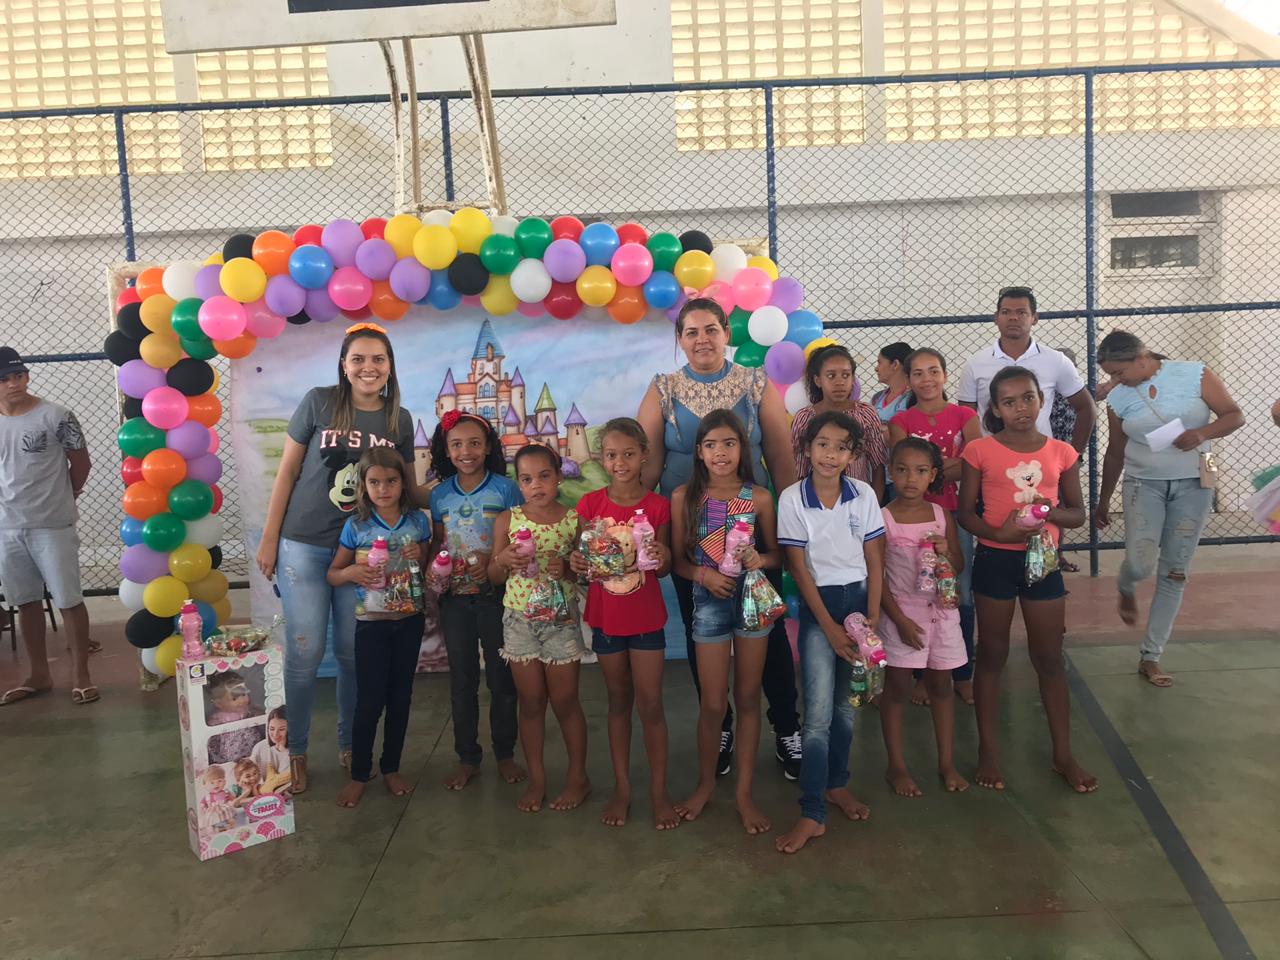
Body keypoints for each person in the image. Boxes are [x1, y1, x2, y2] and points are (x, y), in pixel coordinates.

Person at [637, 298, 802, 781]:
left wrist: (793, 523)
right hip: (692, 538)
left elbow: (780, 454)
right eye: (691, 332)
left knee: (767, 632)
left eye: (711, 329)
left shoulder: (754, 382)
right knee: (702, 632)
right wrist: (633, 523)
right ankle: (721, 726)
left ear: (727, 332)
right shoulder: (663, 389)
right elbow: (646, 467)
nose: (702, 339)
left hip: (753, 533)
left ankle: (786, 726)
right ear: (679, 339)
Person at [255, 323, 418, 793]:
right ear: (344, 366)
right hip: (304, 544)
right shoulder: (319, 402)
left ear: (390, 366)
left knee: (351, 653)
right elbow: (288, 471)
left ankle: (351, 746)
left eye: (378, 359)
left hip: (363, 553)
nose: (369, 367)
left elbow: (408, 487)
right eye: (358, 359)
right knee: (305, 653)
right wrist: (270, 538)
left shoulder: (399, 419)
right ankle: (293, 752)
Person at [959, 366, 1096, 794]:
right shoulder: (979, 451)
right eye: (1009, 401)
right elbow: (965, 514)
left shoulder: (1061, 452)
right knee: (992, 654)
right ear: (995, 409)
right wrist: (998, 534)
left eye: (1028, 398)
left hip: (1044, 562)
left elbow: (1077, 513)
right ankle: (988, 751)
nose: (1021, 408)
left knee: (1049, 658)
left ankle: (1063, 754)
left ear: (1042, 400)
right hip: (995, 561)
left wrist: (1047, 511)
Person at [1095, 331, 1244, 687]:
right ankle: (1126, 585)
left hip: (1195, 484)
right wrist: (1103, 500)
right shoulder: (1118, 397)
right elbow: (1115, 450)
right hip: (1142, 485)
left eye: (1118, 372)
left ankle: (1151, 655)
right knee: (1139, 563)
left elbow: (1234, 416)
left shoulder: (1195, 373)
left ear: (1140, 358)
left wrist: (1202, 433)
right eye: (1111, 374)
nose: (1114, 380)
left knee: (1175, 571)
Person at [774, 411, 884, 855]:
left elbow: (874, 557)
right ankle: (812, 810)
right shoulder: (792, 499)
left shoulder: (863, 494)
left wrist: (871, 616)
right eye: (822, 444)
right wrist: (829, 628)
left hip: (858, 604)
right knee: (817, 716)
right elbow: (799, 570)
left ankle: (837, 784)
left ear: (852, 455)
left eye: (841, 447)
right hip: (820, 609)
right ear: (807, 448)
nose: (830, 454)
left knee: (846, 708)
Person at [670, 409, 781, 835]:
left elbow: (777, 555)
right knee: (714, 703)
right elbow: (678, 562)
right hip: (709, 602)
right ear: (699, 452)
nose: (721, 452)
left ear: (742, 449)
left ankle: (744, 795)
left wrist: (759, 559)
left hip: (751, 602)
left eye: (729, 444)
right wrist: (704, 575)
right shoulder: (685, 497)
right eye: (712, 445)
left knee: (749, 697)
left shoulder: (760, 498)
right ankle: (705, 786)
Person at [570, 417, 679, 830]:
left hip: (646, 618)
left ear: (644, 456)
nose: (620, 463)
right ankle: (622, 789)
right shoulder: (589, 506)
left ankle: (659, 793)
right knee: (618, 702)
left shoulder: (658, 506)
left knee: (650, 705)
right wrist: (577, 562)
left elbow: (663, 566)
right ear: (601, 458)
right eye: (612, 455)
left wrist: (664, 556)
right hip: (606, 620)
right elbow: (582, 564)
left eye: (628, 454)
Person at [427, 411, 525, 790]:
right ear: (446, 450)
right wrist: (432, 573)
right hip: (455, 601)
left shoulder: (505, 490)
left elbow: (520, 538)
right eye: (456, 445)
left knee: (502, 679)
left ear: (487, 448)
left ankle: (505, 753)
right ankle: (468, 757)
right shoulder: (440, 495)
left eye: (474, 443)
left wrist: (494, 559)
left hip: (496, 597)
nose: (465, 451)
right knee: (462, 681)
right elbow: (438, 543)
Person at [489, 445, 589, 814]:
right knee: (531, 702)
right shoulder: (507, 520)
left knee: (565, 701)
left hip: (561, 621)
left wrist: (569, 567)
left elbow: (585, 572)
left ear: (559, 476)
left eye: (544, 476)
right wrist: (503, 559)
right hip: (519, 621)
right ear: (518, 484)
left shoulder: (574, 520)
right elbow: (493, 576)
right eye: (527, 479)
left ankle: (578, 778)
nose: (536, 485)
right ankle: (538, 779)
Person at [329, 448, 431, 807]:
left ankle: (391, 768)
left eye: (391, 481)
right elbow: (333, 573)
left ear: (403, 483)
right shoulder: (356, 525)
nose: (383, 489)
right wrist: (352, 572)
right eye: (374, 482)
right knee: (369, 700)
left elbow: (427, 564)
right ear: (363, 485)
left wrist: (421, 555)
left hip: (409, 621)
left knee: (400, 697)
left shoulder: (417, 522)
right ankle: (360, 774)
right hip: (371, 625)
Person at [0, 347, 96, 707]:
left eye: (18, 376)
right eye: (4, 379)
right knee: (25, 602)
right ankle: (38, 675)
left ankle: (81, 676)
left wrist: (69, 495)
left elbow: (81, 462)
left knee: (68, 600)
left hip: (53, 525)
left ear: (26, 376)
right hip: (7, 528)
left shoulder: (57, 416)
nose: (13, 384)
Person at [877, 438, 969, 798]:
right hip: (902, 617)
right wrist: (898, 621)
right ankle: (896, 765)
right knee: (897, 688)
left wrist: (946, 554)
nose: (910, 479)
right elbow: (876, 577)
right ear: (891, 472)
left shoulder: (942, 515)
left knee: (942, 687)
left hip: (942, 616)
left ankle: (946, 763)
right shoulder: (883, 518)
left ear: (933, 475)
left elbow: (958, 564)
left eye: (920, 471)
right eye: (902, 470)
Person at [889, 347, 981, 706]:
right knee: (917, 592)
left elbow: (974, 463)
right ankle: (923, 673)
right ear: (909, 379)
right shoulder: (901, 421)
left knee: (960, 592)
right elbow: (904, 463)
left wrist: (933, 468)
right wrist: (948, 466)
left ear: (944, 375)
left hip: (954, 516)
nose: (926, 379)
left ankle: (961, 672)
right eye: (918, 373)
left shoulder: (964, 415)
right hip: (914, 519)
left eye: (933, 371)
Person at [956, 287, 1095, 452]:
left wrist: (1074, 455)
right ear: (996, 318)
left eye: (1021, 312)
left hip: (1042, 458)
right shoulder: (974, 364)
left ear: (1034, 318)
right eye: (1006, 312)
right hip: (990, 458)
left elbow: (1086, 407)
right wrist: (977, 457)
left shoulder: (1056, 360)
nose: (1013, 317)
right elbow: (966, 417)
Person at [790, 344, 886, 500]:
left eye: (846, 375)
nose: (839, 382)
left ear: (853, 379)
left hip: (859, 500)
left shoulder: (866, 413)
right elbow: (798, 468)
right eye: (831, 376)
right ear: (818, 380)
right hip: (816, 501)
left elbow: (878, 464)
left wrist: (874, 504)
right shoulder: (804, 418)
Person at [252, 707, 292, 794]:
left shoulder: (293, 753)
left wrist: (284, 750)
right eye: (272, 729)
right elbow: (251, 777)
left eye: (281, 729)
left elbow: (285, 783)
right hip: (259, 794)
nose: (275, 734)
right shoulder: (259, 747)